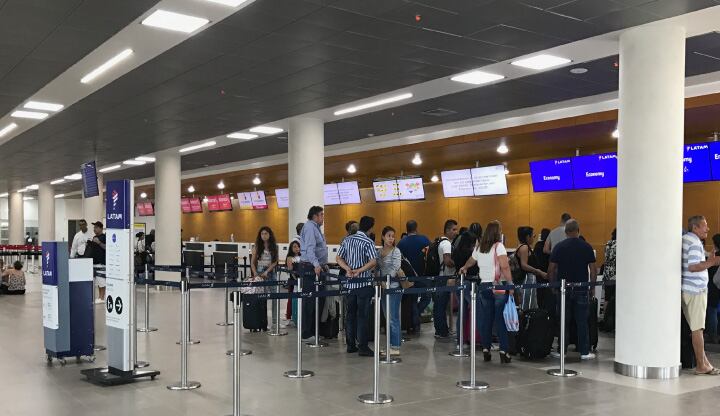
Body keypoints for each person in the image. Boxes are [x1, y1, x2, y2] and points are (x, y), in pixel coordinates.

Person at [459, 220, 513, 363]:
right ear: (497, 232)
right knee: (500, 319)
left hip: (484, 286)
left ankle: (486, 349)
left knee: (486, 319)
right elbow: (505, 266)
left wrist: (464, 267)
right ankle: (504, 351)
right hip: (498, 286)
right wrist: (510, 284)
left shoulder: (480, 247)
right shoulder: (499, 246)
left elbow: (472, 260)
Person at [547, 219, 597, 360]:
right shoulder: (586, 247)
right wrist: (591, 287)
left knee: (563, 321)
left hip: (563, 289)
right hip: (581, 289)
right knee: (582, 321)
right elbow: (593, 270)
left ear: (566, 232)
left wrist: (553, 286)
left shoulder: (559, 247)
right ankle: (584, 352)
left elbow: (551, 269)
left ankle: (562, 350)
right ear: (578, 230)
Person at [681, 216, 720, 375]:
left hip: (688, 289)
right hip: (696, 290)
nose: (707, 229)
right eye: (705, 226)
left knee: (696, 328)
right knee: (698, 329)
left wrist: (709, 259)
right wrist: (711, 262)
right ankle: (701, 365)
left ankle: (704, 362)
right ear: (695, 227)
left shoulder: (686, 240)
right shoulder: (695, 243)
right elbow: (693, 267)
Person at [337, 216, 378, 356]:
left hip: (349, 284)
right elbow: (373, 261)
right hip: (364, 284)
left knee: (350, 315)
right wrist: (360, 270)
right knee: (362, 316)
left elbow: (338, 258)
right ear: (370, 228)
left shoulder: (347, 240)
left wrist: (347, 269)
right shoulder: (368, 242)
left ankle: (350, 345)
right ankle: (363, 346)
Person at [298, 206, 328, 342]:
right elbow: (310, 249)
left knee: (318, 300)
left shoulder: (316, 228)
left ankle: (315, 330)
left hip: (316, 267)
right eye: (321, 215)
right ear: (315, 216)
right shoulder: (310, 228)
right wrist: (316, 265)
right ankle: (306, 333)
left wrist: (322, 264)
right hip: (310, 268)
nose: (323, 217)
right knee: (310, 301)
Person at [396, 220, 431, 333]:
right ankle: (416, 318)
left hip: (408, 277)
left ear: (406, 229)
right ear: (416, 228)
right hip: (423, 275)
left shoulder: (401, 243)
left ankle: (414, 323)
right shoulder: (424, 240)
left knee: (412, 300)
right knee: (427, 298)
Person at [377, 226, 403, 356]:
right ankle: (389, 345)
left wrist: (386, 281)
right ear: (383, 237)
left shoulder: (396, 251)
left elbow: (395, 267)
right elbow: (376, 267)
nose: (391, 238)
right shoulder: (379, 252)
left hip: (393, 287)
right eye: (388, 236)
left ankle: (395, 346)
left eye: (393, 236)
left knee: (393, 318)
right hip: (383, 288)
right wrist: (380, 281)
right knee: (387, 317)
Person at [251, 226, 279, 332]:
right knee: (262, 299)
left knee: (275, 297)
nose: (264, 235)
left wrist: (267, 271)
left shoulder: (274, 246)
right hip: (260, 273)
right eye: (262, 233)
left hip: (271, 274)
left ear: (270, 234)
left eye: (266, 233)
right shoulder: (257, 246)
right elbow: (252, 263)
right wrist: (255, 274)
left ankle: (275, 322)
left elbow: (275, 261)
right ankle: (262, 322)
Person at [433, 219, 458, 339]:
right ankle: (442, 331)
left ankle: (439, 330)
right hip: (444, 277)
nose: (456, 232)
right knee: (441, 305)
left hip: (439, 277)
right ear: (447, 230)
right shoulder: (447, 244)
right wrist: (458, 264)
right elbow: (447, 261)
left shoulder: (440, 242)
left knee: (439, 305)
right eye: (454, 229)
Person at [516, 226, 547, 309]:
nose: (534, 238)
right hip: (527, 279)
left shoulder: (522, 247)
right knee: (527, 306)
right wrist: (539, 272)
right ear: (527, 237)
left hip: (528, 279)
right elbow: (524, 265)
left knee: (531, 304)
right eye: (533, 236)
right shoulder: (524, 248)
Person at [86, 221, 107, 303]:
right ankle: (99, 297)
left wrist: (99, 242)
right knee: (98, 282)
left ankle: (102, 297)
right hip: (94, 262)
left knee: (102, 281)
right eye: (94, 227)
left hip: (101, 263)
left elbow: (107, 247)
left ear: (101, 228)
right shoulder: (94, 237)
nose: (94, 229)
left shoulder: (104, 237)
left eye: (96, 227)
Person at [284, 240, 302, 326]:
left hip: (301, 280)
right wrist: (296, 281)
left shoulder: (302, 257)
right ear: (291, 248)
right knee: (290, 299)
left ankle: (298, 315)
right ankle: (288, 317)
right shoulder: (290, 258)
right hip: (293, 280)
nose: (296, 248)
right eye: (294, 247)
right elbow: (291, 271)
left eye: (298, 246)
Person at [707, 234, 720, 344]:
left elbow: (707, 267)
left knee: (712, 311)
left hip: (714, 288)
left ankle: (713, 335)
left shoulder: (715, 258)